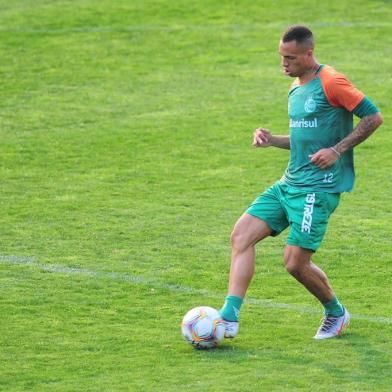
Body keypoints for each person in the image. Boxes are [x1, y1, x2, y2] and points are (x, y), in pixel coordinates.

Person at [219, 25, 383, 340]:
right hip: (288, 184)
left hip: (318, 190)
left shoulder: (332, 82)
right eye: (281, 57)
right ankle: (228, 317)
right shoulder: (296, 86)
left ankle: (336, 313)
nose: (284, 64)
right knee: (241, 236)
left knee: (295, 263)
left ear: (309, 53)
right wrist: (272, 140)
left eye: (290, 58)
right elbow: (304, 139)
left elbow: (373, 117)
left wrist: (337, 150)